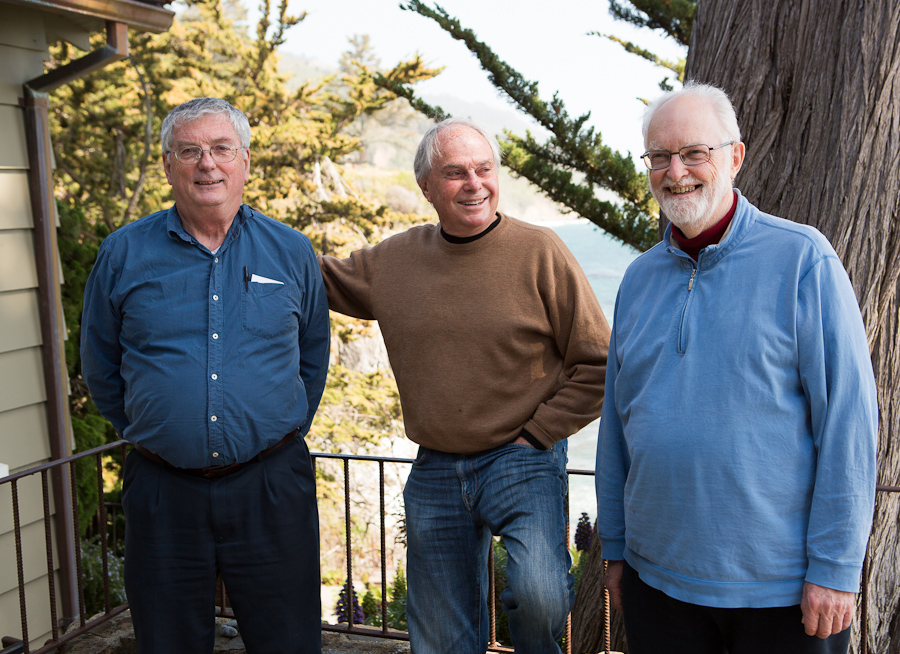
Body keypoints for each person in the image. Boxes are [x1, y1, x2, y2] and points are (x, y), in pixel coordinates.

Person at [596, 81, 878, 654]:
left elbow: (848, 424)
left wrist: (835, 568)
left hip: (782, 593)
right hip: (657, 584)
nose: (676, 172)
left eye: (694, 152)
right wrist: (617, 548)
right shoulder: (638, 280)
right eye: (660, 156)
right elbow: (616, 425)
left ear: (735, 157)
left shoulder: (803, 260)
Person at [319, 117, 610, 654]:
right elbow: (320, 278)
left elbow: (598, 362)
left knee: (541, 596)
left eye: (484, 169)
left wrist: (540, 432)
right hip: (435, 466)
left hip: (523, 458)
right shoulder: (395, 260)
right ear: (427, 187)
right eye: (455, 173)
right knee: (438, 637)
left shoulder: (540, 251)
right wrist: (237, 233)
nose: (475, 183)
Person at [80, 97, 330, 654]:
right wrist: (163, 430)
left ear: (245, 160)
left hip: (270, 487)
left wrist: (266, 431)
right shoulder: (123, 253)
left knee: (288, 642)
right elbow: (100, 367)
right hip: (163, 489)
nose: (206, 164)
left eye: (220, 149)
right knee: (167, 643)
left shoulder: (290, 251)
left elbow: (312, 359)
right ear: (168, 165)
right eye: (189, 151)